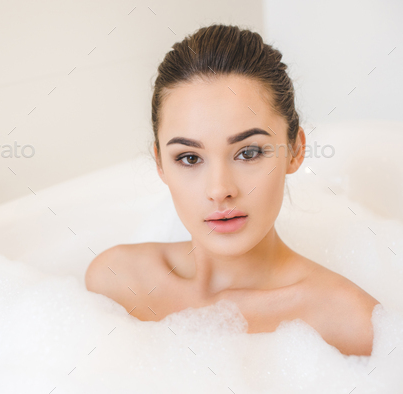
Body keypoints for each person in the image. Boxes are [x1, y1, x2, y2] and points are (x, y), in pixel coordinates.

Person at [85, 24, 380, 356]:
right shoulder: (116, 281)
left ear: (295, 150)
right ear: (160, 163)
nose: (219, 190)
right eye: (190, 157)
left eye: (249, 153)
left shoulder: (351, 323)